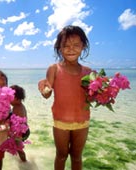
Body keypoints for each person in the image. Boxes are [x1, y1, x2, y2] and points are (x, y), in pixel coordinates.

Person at [38, 25, 92, 170]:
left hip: (82, 122)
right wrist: (44, 90)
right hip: (61, 122)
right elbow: (47, 94)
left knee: (76, 157)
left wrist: (105, 94)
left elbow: (91, 97)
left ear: (83, 46)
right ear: (59, 48)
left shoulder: (88, 72)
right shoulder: (54, 69)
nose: (71, 49)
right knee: (61, 155)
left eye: (76, 45)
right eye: (66, 46)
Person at [10, 85, 30, 162]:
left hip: (20, 132)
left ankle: (25, 163)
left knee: (19, 149)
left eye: (10, 97)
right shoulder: (19, 106)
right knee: (16, 145)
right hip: (25, 130)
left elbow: (16, 124)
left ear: (16, 98)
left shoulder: (17, 108)